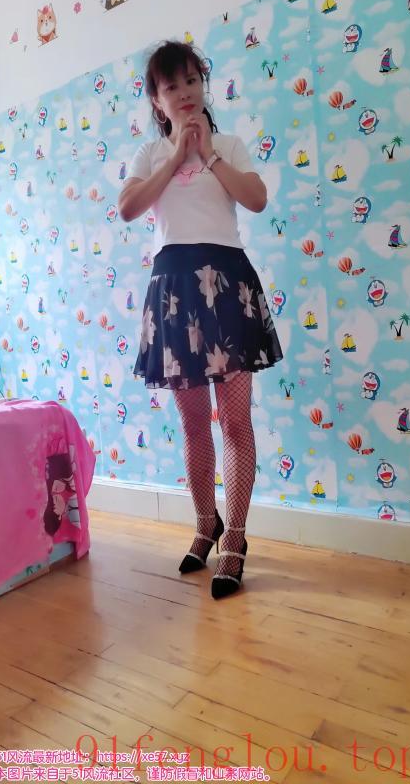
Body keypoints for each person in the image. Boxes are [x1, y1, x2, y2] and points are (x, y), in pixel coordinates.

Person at [118, 40, 283, 599]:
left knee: (235, 423)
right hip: (174, 295)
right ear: (157, 100)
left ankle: (234, 538)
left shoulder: (229, 144)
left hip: (226, 289)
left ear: (203, 85)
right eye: (172, 86)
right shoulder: (148, 155)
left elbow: (256, 200)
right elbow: (129, 208)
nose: (185, 92)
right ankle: (204, 523)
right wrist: (175, 157)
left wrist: (208, 155)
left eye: (192, 80)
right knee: (193, 425)